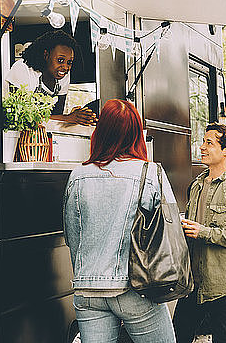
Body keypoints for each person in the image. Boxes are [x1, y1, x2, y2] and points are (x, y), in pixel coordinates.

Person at [63, 99, 176, 343]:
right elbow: (171, 229)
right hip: (135, 289)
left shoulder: (78, 175)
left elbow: (72, 237)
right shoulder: (150, 172)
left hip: (88, 290)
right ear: (137, 133)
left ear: (100, 132)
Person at [173, 122, 226, 343]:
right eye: (203, 141)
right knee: (178, 336)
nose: (202, 147)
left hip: (224, 286)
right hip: (192, 283)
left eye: (209, 143)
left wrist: (205, 232)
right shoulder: (196, 185)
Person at [4, 30, 96, 125]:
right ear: (46, 55)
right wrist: (67, 118)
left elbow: (57, 115)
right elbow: (21, 116)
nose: (65, 67)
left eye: (69, 62)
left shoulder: (63, 75)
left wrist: (74, 116)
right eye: (60, 60)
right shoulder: (22, 69)